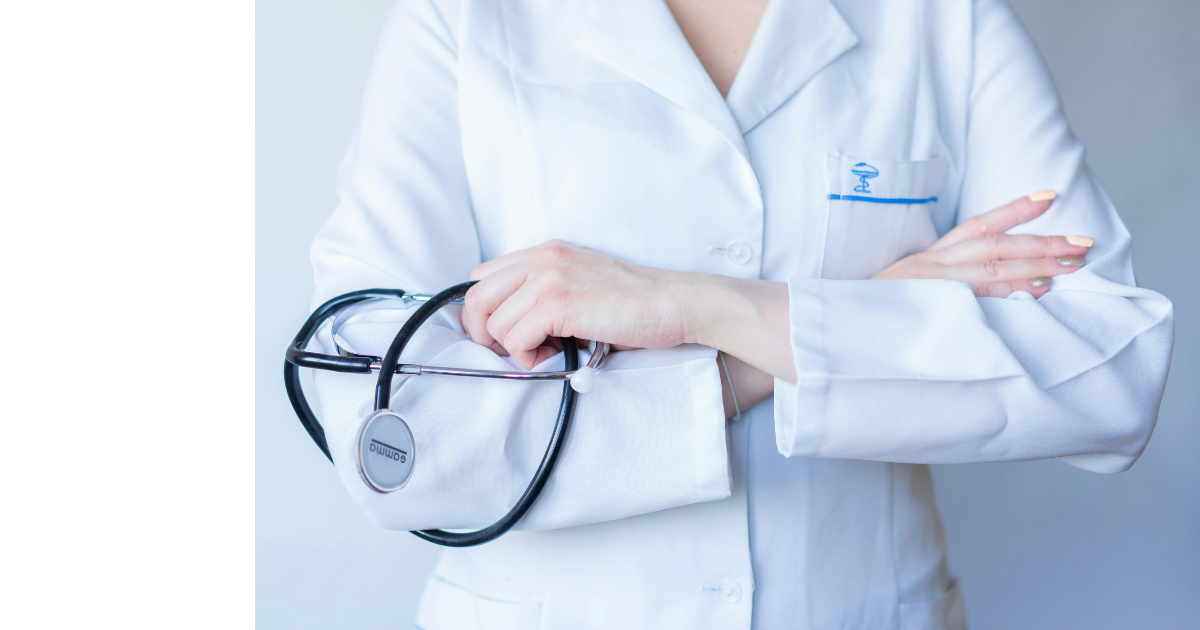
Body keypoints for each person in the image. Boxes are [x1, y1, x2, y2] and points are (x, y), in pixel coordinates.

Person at [306, 0, 1174, 627]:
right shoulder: (461, 19)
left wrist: (700, 305)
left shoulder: (945, 20)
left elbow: (1110, 372)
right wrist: (792, 345)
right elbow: (396, 437)